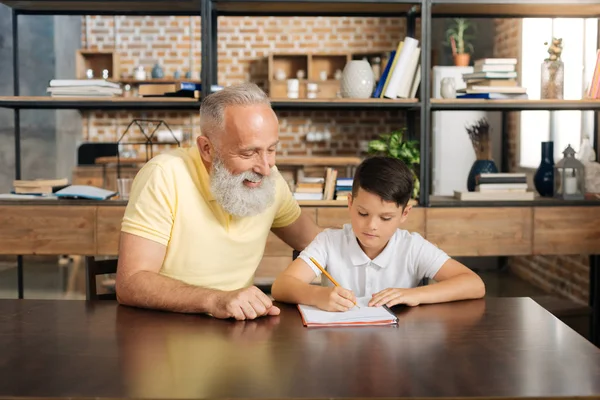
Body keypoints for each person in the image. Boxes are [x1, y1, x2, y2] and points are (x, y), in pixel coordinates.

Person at [115, 82, 321, 320]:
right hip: (165, 331)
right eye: (248, 153)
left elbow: (318, 244)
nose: (265, 168)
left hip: (240, 331)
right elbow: (130, 282)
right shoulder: (164, 175)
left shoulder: (269, 179)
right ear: (207, 149)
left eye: (271, 150)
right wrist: (215, 300)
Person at [271, 156, 485, 312]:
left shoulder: (412, 247)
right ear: (350, 203)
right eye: (363, 213)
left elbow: (474, 284)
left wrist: (414, 295)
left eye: (385, 218)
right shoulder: (329, 242)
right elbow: (281, 286)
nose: (372, 225)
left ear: (404, 213)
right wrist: (317, 295)